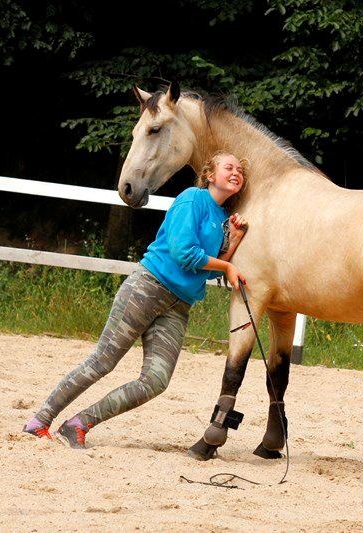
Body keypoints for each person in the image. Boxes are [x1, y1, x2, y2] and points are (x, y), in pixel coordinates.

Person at [22, 151, 250, 448]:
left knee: (156, 380)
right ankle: (40, 420)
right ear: (210, 175)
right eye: (228, 167)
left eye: (240, 171)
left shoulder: (222, 218)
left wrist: (234, 238)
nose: (236, 173)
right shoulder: (193, 199)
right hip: (147, 288)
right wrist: (228, 266)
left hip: (178, 306)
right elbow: (184, 254)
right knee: (103, 360)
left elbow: (205, 271)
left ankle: (79, 423)